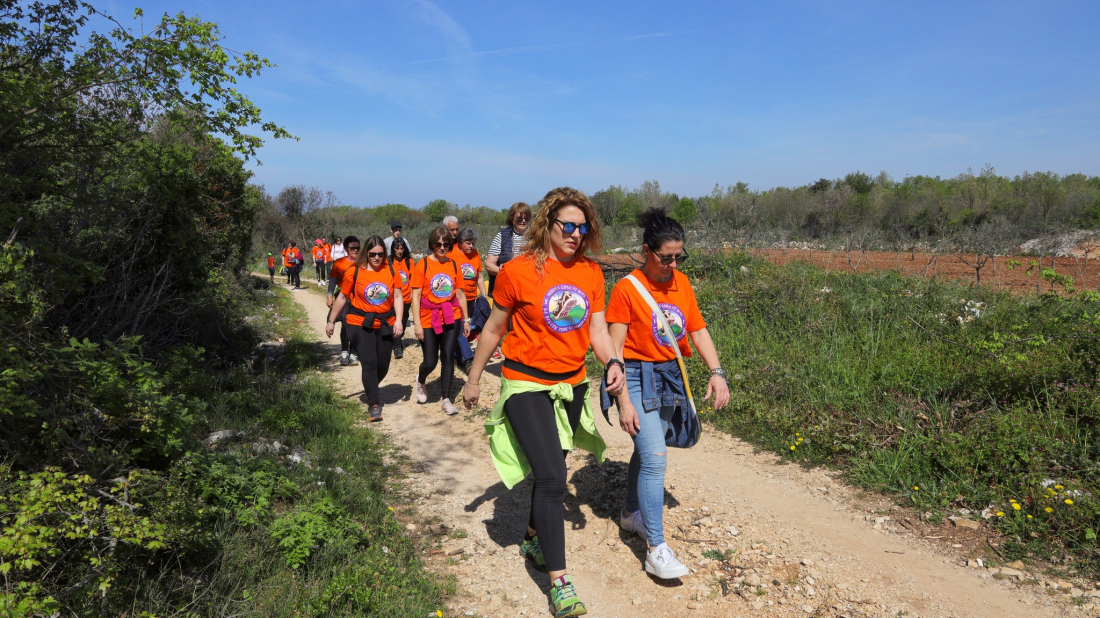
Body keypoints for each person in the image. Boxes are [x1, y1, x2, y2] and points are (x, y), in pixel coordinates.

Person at [462, 187, 624, 618]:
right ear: (547, 226)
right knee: (554, 477)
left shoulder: (590, 273)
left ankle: (533, 535)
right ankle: (560, 583)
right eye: (566, 226)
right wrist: (474, 379)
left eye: (581, 227)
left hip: (570, 385)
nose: (574, 234)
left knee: (550, 468)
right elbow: (494, 330)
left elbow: (597, 332)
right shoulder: (517, 271)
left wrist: (613, 362)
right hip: (525, 383)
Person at [606, 208, 730, 580]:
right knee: (656, 456)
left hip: (669, 377)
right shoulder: (627, 289)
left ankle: (630, 514)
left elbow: (698, 330)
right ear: (647, 251)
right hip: (637, 377)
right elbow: (614, 348)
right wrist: (623, 399)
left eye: (679, 256)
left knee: (646, 451)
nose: (673, 263)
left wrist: (717, 372)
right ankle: (656, 548)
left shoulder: (682, 283)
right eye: (666, 257)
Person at [326, 236, 404, 422]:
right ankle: (374, 404)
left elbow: (399, 297)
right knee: (369, 362)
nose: (376, 258)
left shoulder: (391, 270)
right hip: (359, 322)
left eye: (380, 254)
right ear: (366, 254)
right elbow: (343, 297)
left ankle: (370, 386)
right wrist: (331, 320)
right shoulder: (355, 271)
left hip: (385, 322)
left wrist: (399, 320)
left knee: (383, 364)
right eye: (372, 254)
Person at [412, 226, 469, 416]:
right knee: (430, 361)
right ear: (432, 245)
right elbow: (416, 296)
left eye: (445, 244)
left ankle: (446, 399)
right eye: (438, 244)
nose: (442, 247)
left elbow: (460, 294)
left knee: (447, 357)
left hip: (452, 315)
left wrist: (467, 319)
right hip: (429, 317)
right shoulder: (423, 265)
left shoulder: (454, 266)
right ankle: (421, 380)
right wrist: (417, 323)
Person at [451, 227, 484, 369]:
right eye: (468, 243)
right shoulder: (452, 255)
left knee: (469, 328)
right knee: (459, 327)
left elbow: (480, 277)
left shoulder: (475, 254)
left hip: (471, 298)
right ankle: (468, 358)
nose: (471, 246)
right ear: (460, 242)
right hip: (457, 299)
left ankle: (454, 354)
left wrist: (483, 296)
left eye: (473, 243)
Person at [485, 202, 532, 298]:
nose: (523, 221)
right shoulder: (502, 236)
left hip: (528, 288)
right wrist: (502, 271)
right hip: (505, 289)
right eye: (519, 219)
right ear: (512, 219)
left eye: (526, 218)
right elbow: (489, 264)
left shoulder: (535, 237)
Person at [328, 236, 361, 366]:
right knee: (345, 325)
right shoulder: (338, 263)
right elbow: (333, 281)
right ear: (346, 248)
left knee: (356, 326)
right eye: (353, 248)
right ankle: (344, 351)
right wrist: (329, 296)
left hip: (358, 298)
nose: (356, 250)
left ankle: (353, 352)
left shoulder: (363, 262)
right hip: (343, 297)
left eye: (358, 248)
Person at [389, 234, 413, 359]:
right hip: (391, 298)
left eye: (402, 248)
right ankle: (397, 346)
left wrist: (414, 293)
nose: (399, 251)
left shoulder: (409, 262)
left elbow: (413, 279)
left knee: (403, 321)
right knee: (393, 320)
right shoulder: (388, 261)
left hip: (406, 297)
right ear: (393, 248)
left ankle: (396, 339)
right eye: (397, 248)